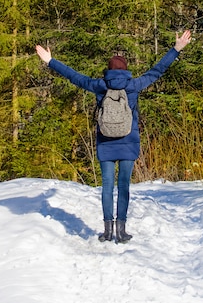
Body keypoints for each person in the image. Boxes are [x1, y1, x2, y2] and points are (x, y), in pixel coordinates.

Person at [36, 30, 192, 243]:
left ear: (108, 70)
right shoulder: (134, 85)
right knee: (124, 185)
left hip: (106, 142)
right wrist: (176, 49)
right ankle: (122, 230)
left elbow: (74, 76)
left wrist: (51, 61)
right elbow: (158, 70)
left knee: (108, 185)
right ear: (126, 70)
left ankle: (107, 231)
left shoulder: (100, 86)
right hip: (129, 142)